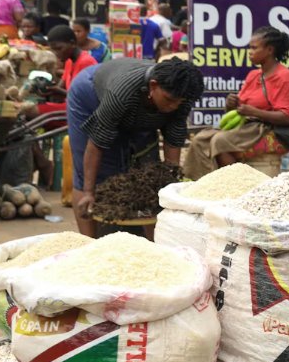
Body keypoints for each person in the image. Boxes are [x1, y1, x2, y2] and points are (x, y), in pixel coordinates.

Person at [67, 57, 203, 237]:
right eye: (169, 100)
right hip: (91, 95)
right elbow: (96, 144)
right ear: (153, 86)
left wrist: (170, 189)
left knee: (150, 172)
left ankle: (155, 243)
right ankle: (87, 243)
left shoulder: (180, 96)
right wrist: (88, 192)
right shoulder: (121, 94)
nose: (173, 107)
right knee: (97, 175)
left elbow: (173, 141)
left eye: (179, 102)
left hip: (136, 102)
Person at [184, 27, 289, 179]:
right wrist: (231, 104)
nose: (249, 52)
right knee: (200, 140)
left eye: (254, 48)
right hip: (246, 126)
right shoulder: (253, 75)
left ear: (270, 50)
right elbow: (239, 108)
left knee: (220, 141)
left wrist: (253, 112)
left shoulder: (284, 77)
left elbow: (287, 118)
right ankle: (200, 183)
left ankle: (235, 185)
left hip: (267, 128)